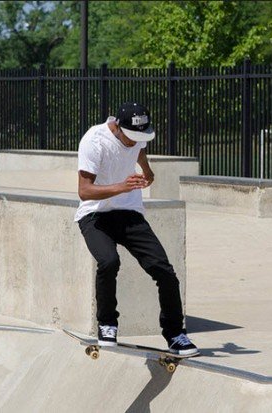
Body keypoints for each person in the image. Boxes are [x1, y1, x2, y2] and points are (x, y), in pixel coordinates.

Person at [74, 102, 198, 356]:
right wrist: (122, 186)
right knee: (109, 262)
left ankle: (175, 333)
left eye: (139, 137)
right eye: (130, 137)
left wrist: (148, 171)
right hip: (95, 215)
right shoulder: (94, 141)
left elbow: (139, 151)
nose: (134, 142)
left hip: (129, 213)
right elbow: (84, 191)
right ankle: (107, 323)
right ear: (118, 127)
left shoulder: (137, 137)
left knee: (164, 270)